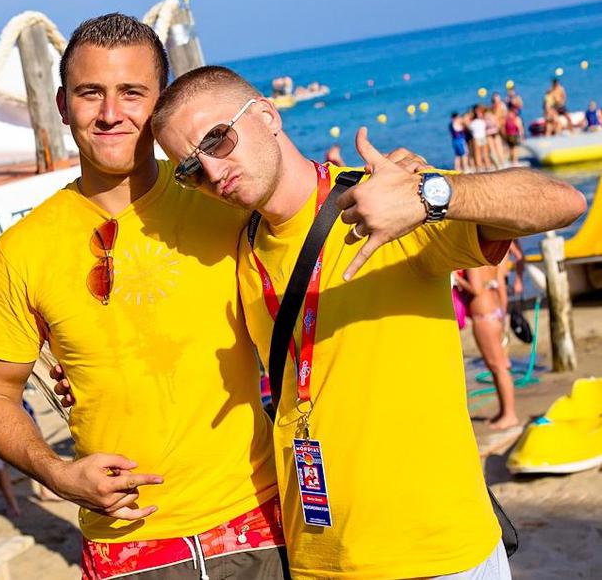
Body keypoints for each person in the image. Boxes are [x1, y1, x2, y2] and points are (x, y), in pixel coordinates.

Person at [149, 65, 586, 579]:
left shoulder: (387, 200)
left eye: (217, 140)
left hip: (437, 553)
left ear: (267, 115)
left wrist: (433, 196)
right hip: (319, 558)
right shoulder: (239, 248)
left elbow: (563, 202)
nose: (212, 171)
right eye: (190, 169)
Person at [0, 14, 287, 579]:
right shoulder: (22, 251)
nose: (111, 113)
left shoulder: (224, 200)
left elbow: (318, 220)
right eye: (91, 93)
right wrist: (56, 472)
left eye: (132, 93)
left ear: (160, 103)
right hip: (128, 551)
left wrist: (417, 186)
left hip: (259, 523)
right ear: (63, 104)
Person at [454, 266, 520, 430]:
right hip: (495, 311)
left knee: (498, 367)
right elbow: (500, 285)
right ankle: (504, 411)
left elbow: (476, 289)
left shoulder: (474, 262)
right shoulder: (491, 259)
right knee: (497, 366)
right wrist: (503, 318)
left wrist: (456, 278)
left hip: (484, 316)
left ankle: (510, 415)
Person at [469, 104, 490, 171]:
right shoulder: (473, 120)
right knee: (478, 154)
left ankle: (487, 167)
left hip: (482, 137)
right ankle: (480, 168)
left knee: (484, 153)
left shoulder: (481, 119)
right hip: (477, 137)